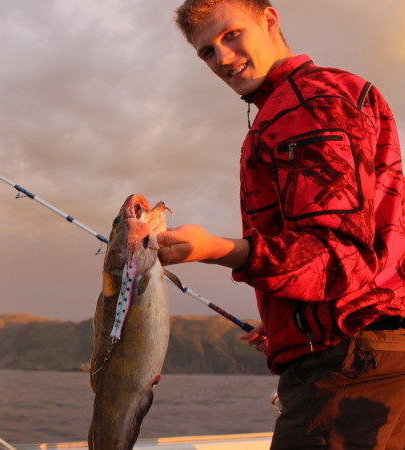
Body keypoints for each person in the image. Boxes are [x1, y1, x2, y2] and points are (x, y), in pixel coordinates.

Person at [159, 0, 405, 448]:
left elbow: (337, 259)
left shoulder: (305, 104)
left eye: (231, 35)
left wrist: (218, 250)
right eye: (207, 52)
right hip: (372, 356)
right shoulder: (319, 95)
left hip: (347, 369)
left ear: (269, 20)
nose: (223, 59)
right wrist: (288, 321)